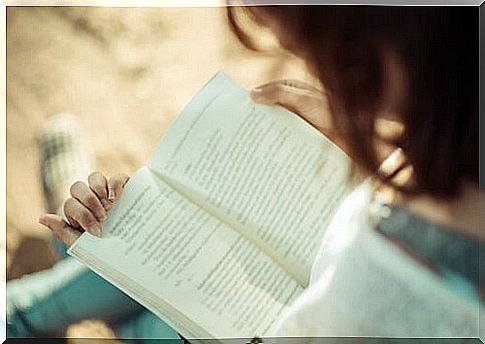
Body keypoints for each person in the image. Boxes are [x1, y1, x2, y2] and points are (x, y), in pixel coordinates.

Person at [8, 5, 482, 341]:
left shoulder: (389, 276)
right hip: (278, 301)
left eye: (321, 55)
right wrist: (370, 139)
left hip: (245, 324)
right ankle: (85, 250)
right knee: (126, 252)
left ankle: (67, 262)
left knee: (27, 312)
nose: (324, 74)